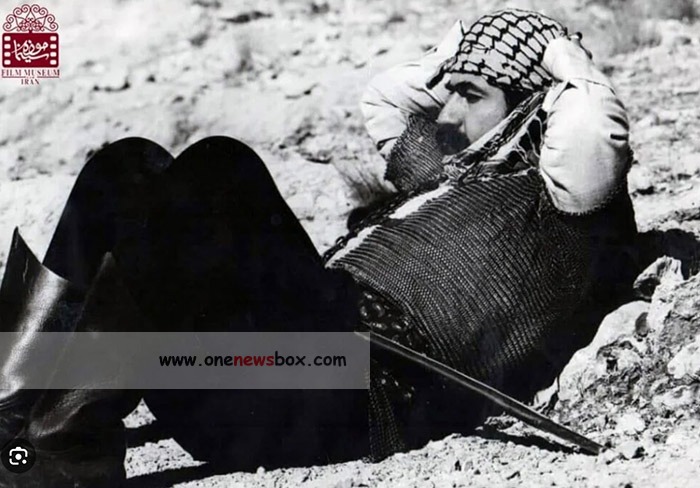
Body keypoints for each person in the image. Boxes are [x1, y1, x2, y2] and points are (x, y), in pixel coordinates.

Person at [0, 8, 638, 487]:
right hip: (258, 376)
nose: (446, 115)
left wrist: (557, 54)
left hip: (349, 389)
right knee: (126, 166)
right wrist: (463, 50)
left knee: (222, 164)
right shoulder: (450, 171)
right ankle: (11, 412)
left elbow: (594, 127)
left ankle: (66, 450)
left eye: (471, 96)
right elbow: (385, 98)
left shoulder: (565, 210)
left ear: (538, 103)